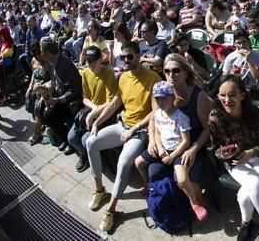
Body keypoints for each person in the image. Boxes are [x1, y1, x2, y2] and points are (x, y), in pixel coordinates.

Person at [85, 41, 161, 232]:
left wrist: (134, 129)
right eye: (123, 57)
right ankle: (100, 190)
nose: (125, 60)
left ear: (138, 56)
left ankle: (111, 210)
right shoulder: (123, 77)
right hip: (122, 125)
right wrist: (96, 121)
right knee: (91, 142)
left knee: (123, 162)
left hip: (140, 131)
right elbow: (114, 104)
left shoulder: (153, 78)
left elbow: (155, 112)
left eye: (129, 56)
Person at [209, 75, 259, 241]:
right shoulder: (215, 117)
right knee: (254, 183)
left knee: (244, 194)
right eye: (222, 95)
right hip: (235, 162)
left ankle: (247, 223)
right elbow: (215, 148)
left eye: (232, 95)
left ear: (242, 95)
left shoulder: (258, 115)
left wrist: (252, 152)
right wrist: (223, 153)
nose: (227, 100)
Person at [147, 54, 212, 210]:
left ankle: (199, 203)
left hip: (192, 142)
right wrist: (152, 140)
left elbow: (208, 128)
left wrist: (194, 149)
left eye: (176, 70)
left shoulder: (198, 96)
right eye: (167, 71)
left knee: (184, 176)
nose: (171, 75)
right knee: (152, 170)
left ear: (185, 73)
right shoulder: (161, 91)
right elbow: (153, 119)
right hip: (167, 142)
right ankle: (174, 199)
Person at [134, 81, 207, 221]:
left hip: (178, 151)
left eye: (164, 98)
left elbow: (186, 140)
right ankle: (146, 184)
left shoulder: (180, 117)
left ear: (172, 97)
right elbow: (157, 133)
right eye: (157, 99)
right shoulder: (157, 114)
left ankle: (194, 203)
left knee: (182, 178)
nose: (160, 102)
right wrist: (160, 148)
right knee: (138, 163)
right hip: (163, 149)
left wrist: (173, 156)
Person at [67, 46, 117, 173]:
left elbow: (109, 102)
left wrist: (95, 113)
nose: (91, 64)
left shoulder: (108, 74)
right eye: (88, 61)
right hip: (89, 111)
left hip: (104, 115)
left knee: (85, 140)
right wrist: (93, 109)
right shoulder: (86, 73)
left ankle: (95, 158)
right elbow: (85, 98)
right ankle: (86, 155)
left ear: (100, 60)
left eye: (94, 60)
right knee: (71, 138)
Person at [40, 37, 82, 152]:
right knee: (42, 109)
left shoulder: (64, 64)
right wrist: (47, 93)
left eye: (41, 50)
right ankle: (65, 139)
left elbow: (75, 90)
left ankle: (71, 142)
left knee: (49, 114)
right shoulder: (53, 62)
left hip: (72, 102)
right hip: (61, 98)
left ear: (48, 53)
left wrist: (57, 100)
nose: (40, 53)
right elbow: (57, 83)